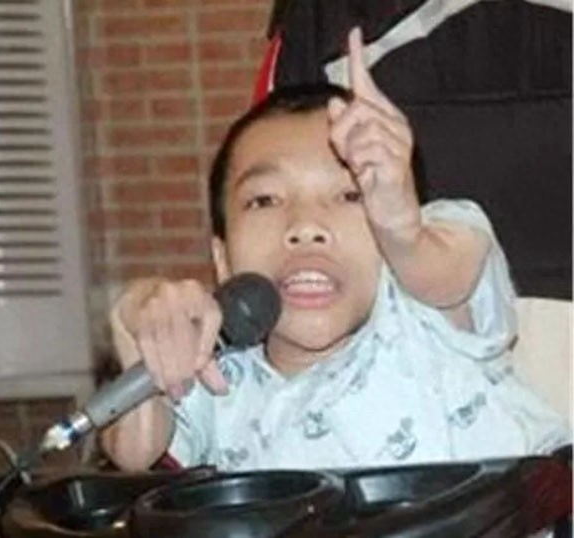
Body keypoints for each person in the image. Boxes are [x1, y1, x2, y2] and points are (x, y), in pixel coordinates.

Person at [101, 28, 569, 472]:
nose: (305, 226)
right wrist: (140, 329)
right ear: (222, 260)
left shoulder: (426, 312)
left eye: (349, 195)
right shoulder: (219, 380)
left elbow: (445, 271)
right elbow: (134, 454)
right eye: (265, 200)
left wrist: (401, 230)